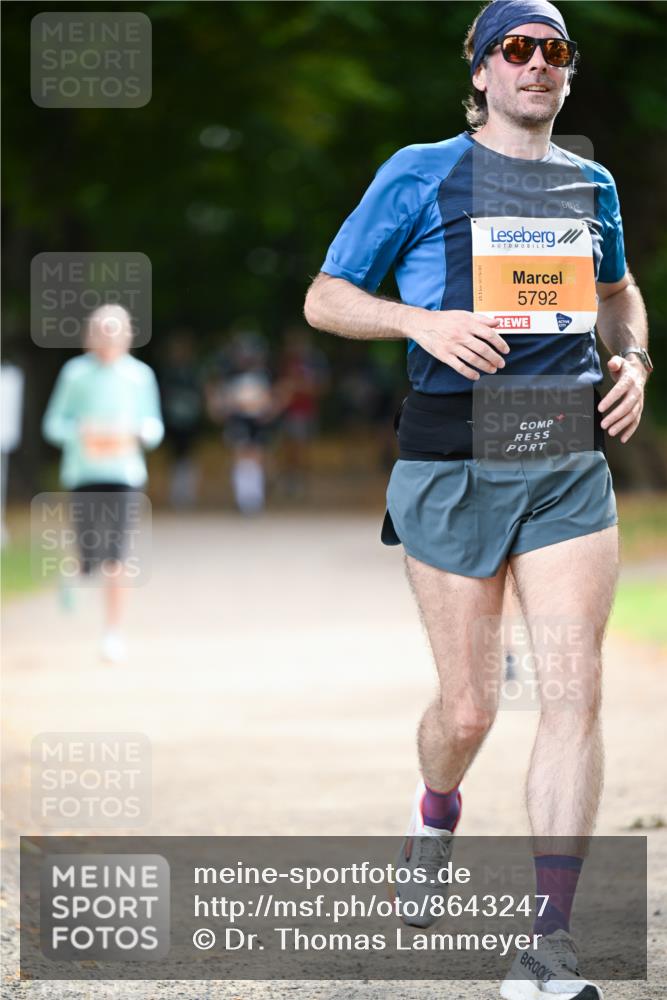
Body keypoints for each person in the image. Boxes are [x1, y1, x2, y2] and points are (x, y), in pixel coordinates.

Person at [304, 2, 651, 997]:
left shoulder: (589, 183)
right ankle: (435, 809)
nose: (538, 64)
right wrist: (421, 323)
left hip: (564, 459)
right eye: (517, 48)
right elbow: (326, 298)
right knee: (467, 709)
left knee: (573, 690)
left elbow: (618, 293)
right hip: (451, 459)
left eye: (555, 50)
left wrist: (632, 358)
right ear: (481, 70)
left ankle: (548, 944)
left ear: (567, 73)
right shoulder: (419, 172)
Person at [42, 304, 164, 663]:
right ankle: (74, 572)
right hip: (83, 475)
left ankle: (112, 632)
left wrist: (139, 432)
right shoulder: (75, 374)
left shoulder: (139, 376)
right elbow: (53, 424)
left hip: (124, 476)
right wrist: (80, 432)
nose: (108, 340)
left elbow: (154, 425)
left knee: (116, 555)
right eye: (102, 333)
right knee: (89, 556)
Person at [205, 331, 276, 515]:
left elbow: (267, 401)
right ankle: (244, 499)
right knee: (241, 456)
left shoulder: (262, 374)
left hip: (257, 421)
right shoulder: (229, 374)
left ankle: (255, 499)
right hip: (238, 420)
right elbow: (223, 402)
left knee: (256, 457)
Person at [158, 330, 203, 508]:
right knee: (174, 457)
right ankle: (176, 494)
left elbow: (199, 394)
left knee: (188, 457)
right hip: (173, 421)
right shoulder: (168, 372)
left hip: (190, 421)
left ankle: (187, 494)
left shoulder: (193, 371)